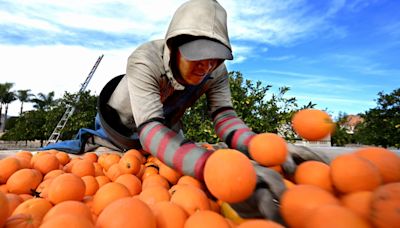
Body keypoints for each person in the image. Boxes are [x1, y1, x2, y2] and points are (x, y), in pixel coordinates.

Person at [44, 0, 329, 223]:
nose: (206, 65)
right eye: (198, 55)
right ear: (174, 45)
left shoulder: (216, 73)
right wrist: (215, 169)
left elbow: (225, 118)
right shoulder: (145, 60)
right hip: (118, 133)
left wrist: (262, 148)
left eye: (215, 58)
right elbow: (150, 129)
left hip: (165, 134)